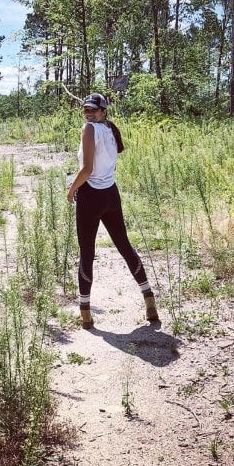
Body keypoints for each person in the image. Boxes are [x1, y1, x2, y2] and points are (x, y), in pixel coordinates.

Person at [66, 92, 159, 330]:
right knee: (125, 246)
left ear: (103, 111)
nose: (88, 113)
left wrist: (71, 189)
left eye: (93, 110)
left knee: (87, 253)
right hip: (111, 194)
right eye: (86, 109)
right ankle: (149, 300)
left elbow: (87, 169)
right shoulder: (109, 130)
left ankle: (85, 314)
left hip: (90, 196)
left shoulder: (89, 129)